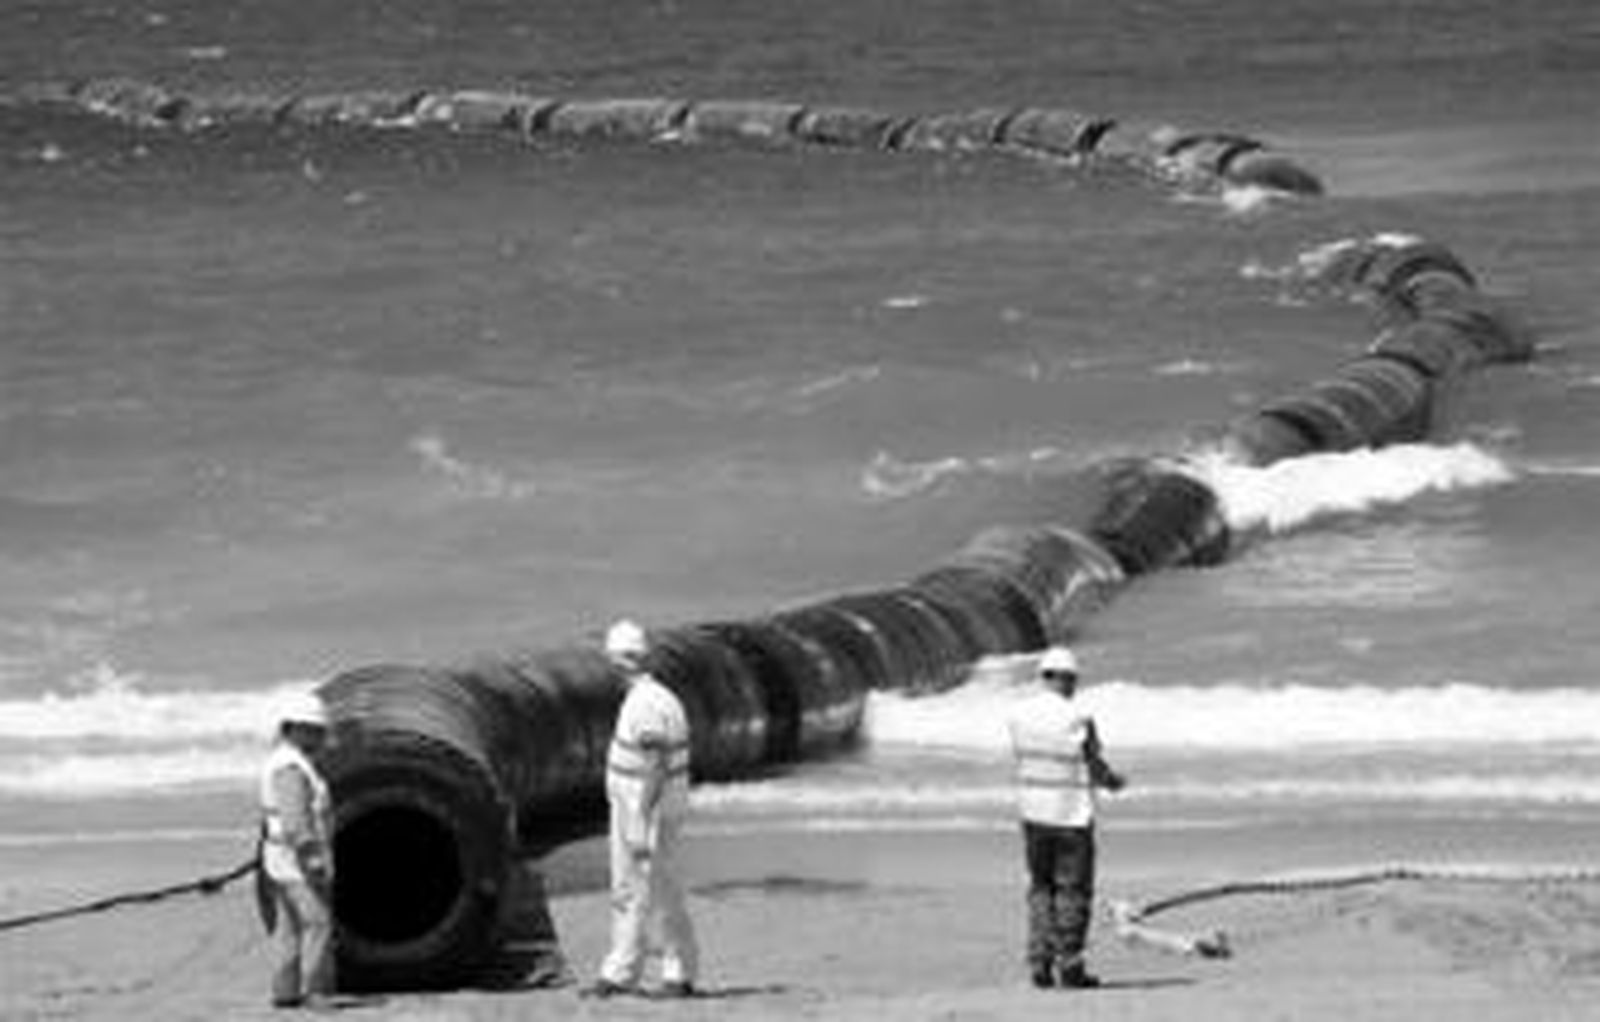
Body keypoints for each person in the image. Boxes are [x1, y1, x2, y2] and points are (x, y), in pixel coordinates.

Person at [584, 619, 700, 999]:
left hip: (645, 806)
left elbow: (656, 764)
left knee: (637, 890)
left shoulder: (644, 705)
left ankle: (633, 973)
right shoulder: (661, 696)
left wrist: (639, 818)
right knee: (658, 889)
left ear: (620, 662)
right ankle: (657, 971)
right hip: (656, 804)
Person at [1005, 646, 1126, 990]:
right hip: (1071, 815)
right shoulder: (1079, 718)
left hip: (1033, 814)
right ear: (1069, 679)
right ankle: (1070, 967)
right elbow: (1095, 767)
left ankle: (1039, 963)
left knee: (1041, 887)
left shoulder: (1018, 715)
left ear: (1042, 677)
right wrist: (1114, 782)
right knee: (1073, 890)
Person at [259, 690, 338, 1009]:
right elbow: (295, 819)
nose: (319, 735)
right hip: (296, 860)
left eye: (320, 729)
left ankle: (285, 991)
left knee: (288, 925)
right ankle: (316, 992)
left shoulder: (285, 761)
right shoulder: (291, 767)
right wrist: (313, 857)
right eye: (312, 729)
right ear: (292, 729)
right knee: (318, 923)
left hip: (279, 858)